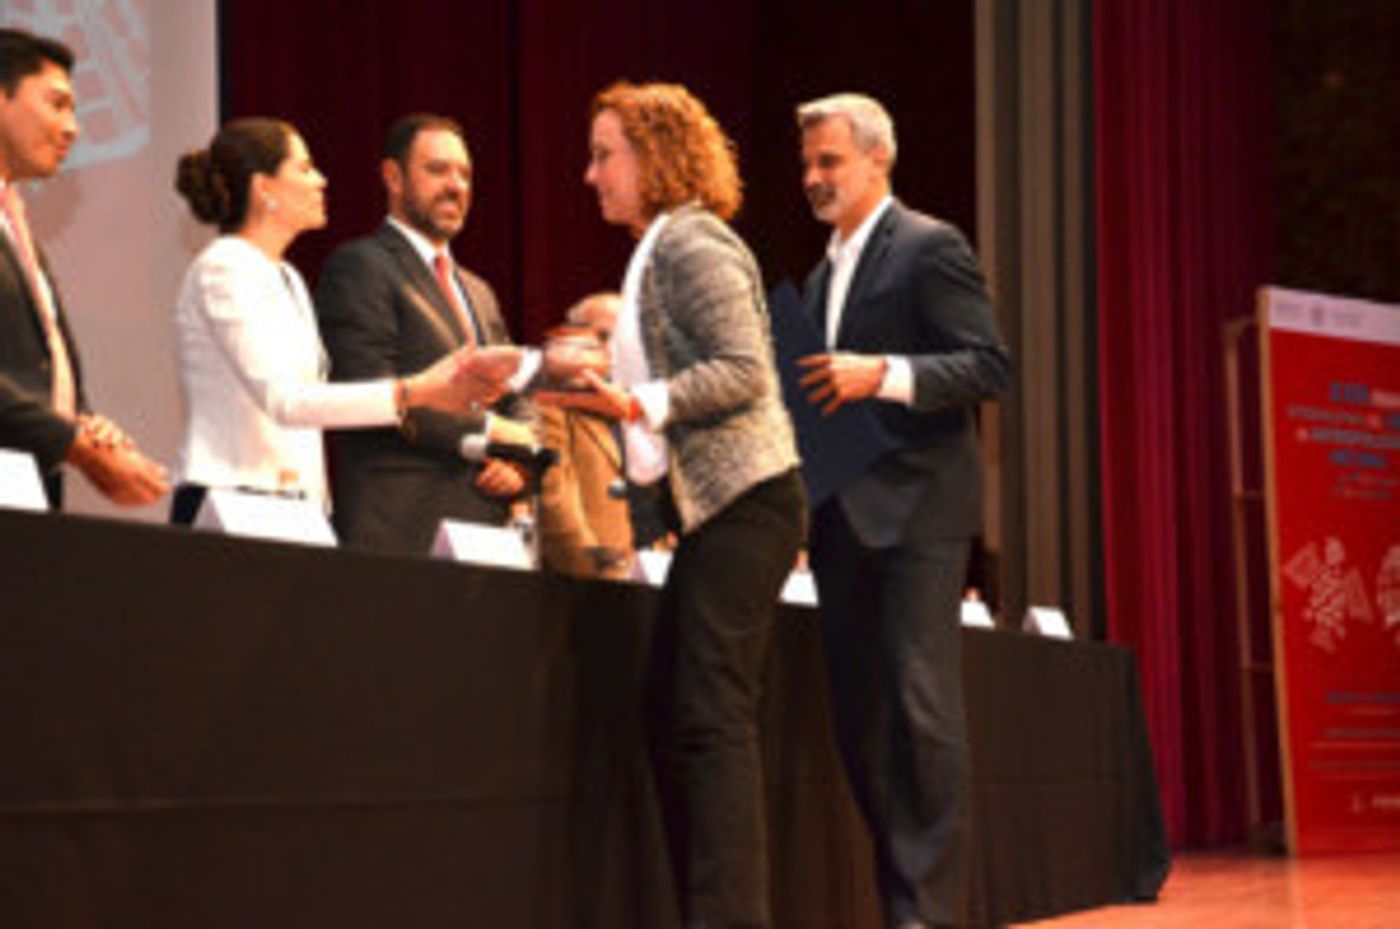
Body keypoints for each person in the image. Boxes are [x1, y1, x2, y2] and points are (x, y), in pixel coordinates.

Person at [540, 81, 806, 929]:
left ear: (653, 157)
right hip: (722, 508)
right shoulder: (658, 246)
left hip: (748, 500)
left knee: (709, 711)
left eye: (604, 153)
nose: (590, 174)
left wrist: (632, 401)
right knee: (674, 707)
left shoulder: (692, 243)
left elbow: (743, 370)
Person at [794, 93, 1011, 929]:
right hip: (842, 516)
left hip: (921, 510)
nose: (813, 177)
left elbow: (988, 366)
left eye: (830, 162)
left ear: (879, 158)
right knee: (859, 716)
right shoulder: (820, 272)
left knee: (921, 705)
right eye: (806, 163)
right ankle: (901, 898)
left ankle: (927, 912)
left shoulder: (930, 244)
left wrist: (878, 372)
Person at [170, 117, 517, 525]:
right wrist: (416, 390)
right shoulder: (223, 267)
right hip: (230, 496)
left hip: (296, 505)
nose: (321, 180)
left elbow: (316, 398)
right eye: (304, 168)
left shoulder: (290, 278)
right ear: (264, 188)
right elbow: (286, 400)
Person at [315, 113, 534, 555]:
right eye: (437, 170)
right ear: (393, 177)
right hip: (400, 533)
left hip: (483, 533)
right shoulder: (361, 266)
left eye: (465, 174)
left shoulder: (480, 291)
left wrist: (520, 461)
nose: (456, 185)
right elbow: (371, 391)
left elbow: (519, 394)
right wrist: (494, 432)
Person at [0, 27, 167, 508]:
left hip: (28, 485)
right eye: (56, 104)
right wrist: (75, 446)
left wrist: (83, 425)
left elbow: (29, 363)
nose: (73, 127)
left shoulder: (15, 217)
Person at [535, 292, 631, 580]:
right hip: (585, 585)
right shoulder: (551, 404)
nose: (610, 350)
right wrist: (598, 573)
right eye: (601, 337)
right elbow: (555, 505)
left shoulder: (637, 410)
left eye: (620, 339)